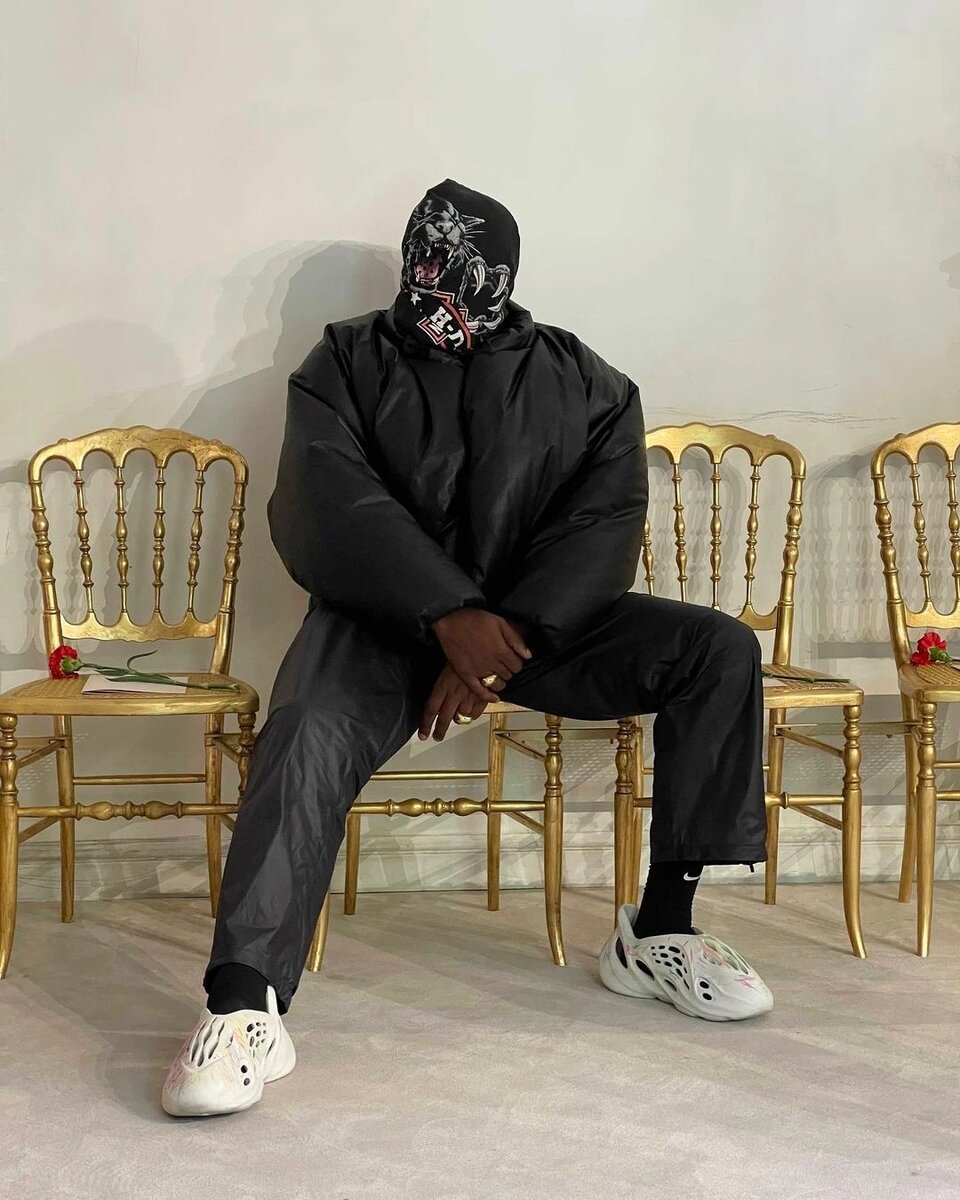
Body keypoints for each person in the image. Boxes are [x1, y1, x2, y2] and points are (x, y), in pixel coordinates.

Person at [161, 180, 773, 1118]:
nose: (437, 278)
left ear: (503, 274)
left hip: (535, 630)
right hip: (379, 621)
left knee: (716, 649)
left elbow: (602, 523)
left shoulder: (586, 382)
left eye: (460, 263)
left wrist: (498, 638)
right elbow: (329, 501)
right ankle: (244, 1001)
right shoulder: (346, 360)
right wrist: (448, 616)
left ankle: (660, 933)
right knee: (306, 726)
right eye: (428, 255)